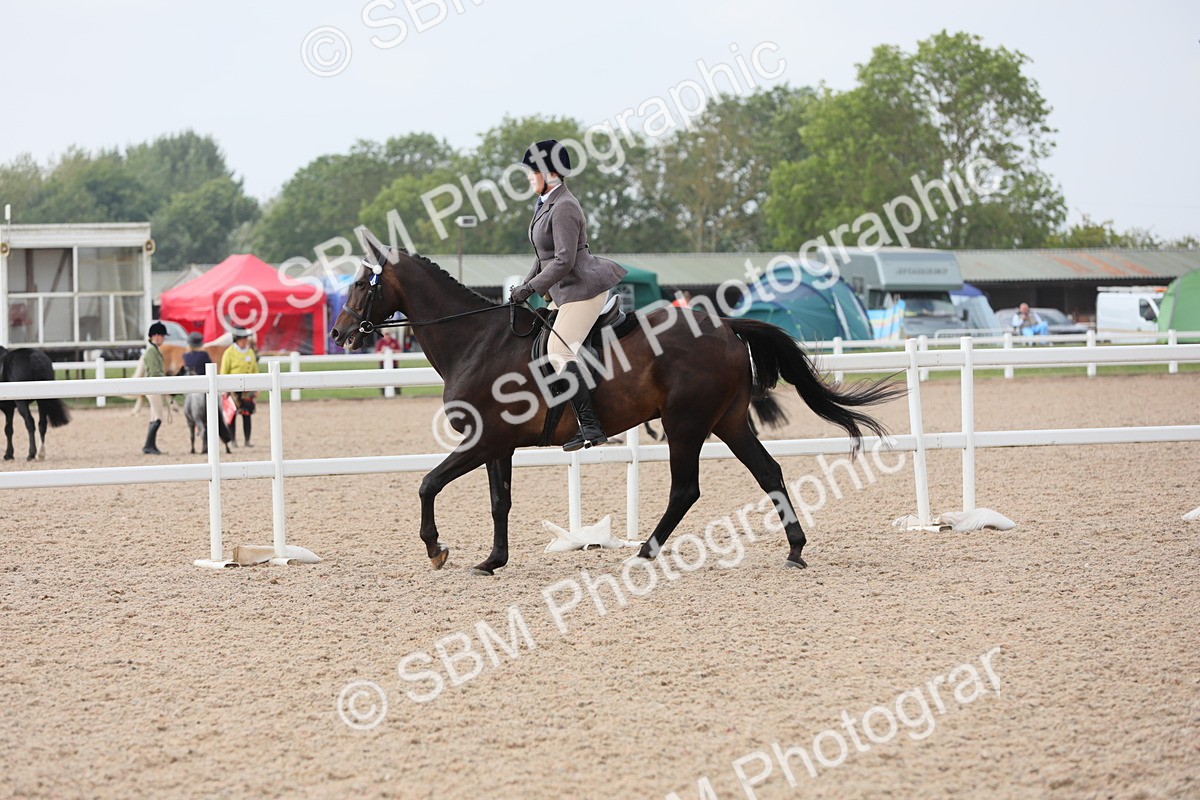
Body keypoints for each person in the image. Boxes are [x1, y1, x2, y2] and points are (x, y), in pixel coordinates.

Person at [508, 139, 628, 451]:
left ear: (549, 173)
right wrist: (523, 287)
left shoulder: (564, 206)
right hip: (566, 292)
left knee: (559, 351)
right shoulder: (546, 203)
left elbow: (563, 260)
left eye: (532, 172)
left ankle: (590, 426)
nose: (528, 178)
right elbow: (542, 258)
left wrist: (531, 289)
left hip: (583, 290)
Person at [219, 329, 259, 447]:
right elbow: (224, 371)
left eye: (246, 338)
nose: (245, 341)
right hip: (233, 389)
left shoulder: (250, 352)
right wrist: (225, 388)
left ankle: (247, 440)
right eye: (243, 339)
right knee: (232, 415)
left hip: (247, 390)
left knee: (247, 415)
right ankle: (233, 440)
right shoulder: (229, 353)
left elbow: (255, 370)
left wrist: (257, 387)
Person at [141, 322, 168, 454]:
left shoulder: (154, 350)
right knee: (158, 417)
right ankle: (148, 445)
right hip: (153, 386)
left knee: (154, 417)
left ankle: (150, 445)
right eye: (162, 336)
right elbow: (155, 372)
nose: (163, 339)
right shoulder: (151, 351)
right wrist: (167, 380)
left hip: (154, 386)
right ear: (156, 336)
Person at [374, 331, 403, 396]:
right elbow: (377, 353)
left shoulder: (394, 341)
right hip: (382, 363)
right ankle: (383, 393)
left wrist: (392, 350)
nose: (387, 336)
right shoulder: (380, 342)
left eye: (388, 334)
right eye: (385, 334)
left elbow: (399, 351)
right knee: (382, 379)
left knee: (397, 379)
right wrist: (382, 351)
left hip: (394, 363)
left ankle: (398, 393)